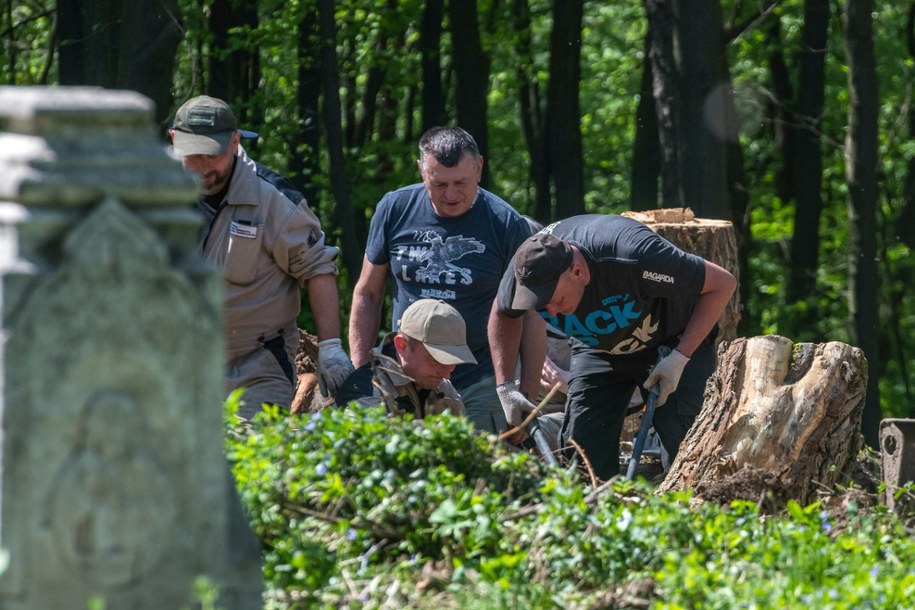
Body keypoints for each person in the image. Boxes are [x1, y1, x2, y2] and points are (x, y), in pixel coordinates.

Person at [488, 214, 737, 479]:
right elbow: (503, 313)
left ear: (578, 272)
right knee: (580, 449)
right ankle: (594, 513)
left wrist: (679, 357)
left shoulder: (633, 254)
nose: (551, 312)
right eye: (540, 305)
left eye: (555, 299)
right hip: (598, 346)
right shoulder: (528, 267)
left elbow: (723, 284)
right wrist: (508, 389)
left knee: (686, 443)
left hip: (671, 339)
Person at [170, 95, 354, 420]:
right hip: (175, 362)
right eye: (191, 155)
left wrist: (330, 348)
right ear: (173, 140)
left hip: (255, 363)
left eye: (211, 154)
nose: (201, 166)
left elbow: (317, 267)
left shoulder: (271, 199)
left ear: (235, 140)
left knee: (247, 460)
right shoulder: (153, 194)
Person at [348, 126, 542, 434]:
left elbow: (529, 315)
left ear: (479, 168)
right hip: (403, 374)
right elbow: (368, 294)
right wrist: (358, 373)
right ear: (421, 171)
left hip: (478, 376)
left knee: (476, 469)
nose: (451, 195)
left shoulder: (505, 224)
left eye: (460, 183)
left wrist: (522, 395)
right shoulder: (395, 209)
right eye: (439, 184)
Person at [335, 299, 475, 418]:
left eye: (452, 361)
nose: (446, 374)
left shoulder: (440, 386)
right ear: (402, 345)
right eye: (436, 359)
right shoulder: (366, 391)